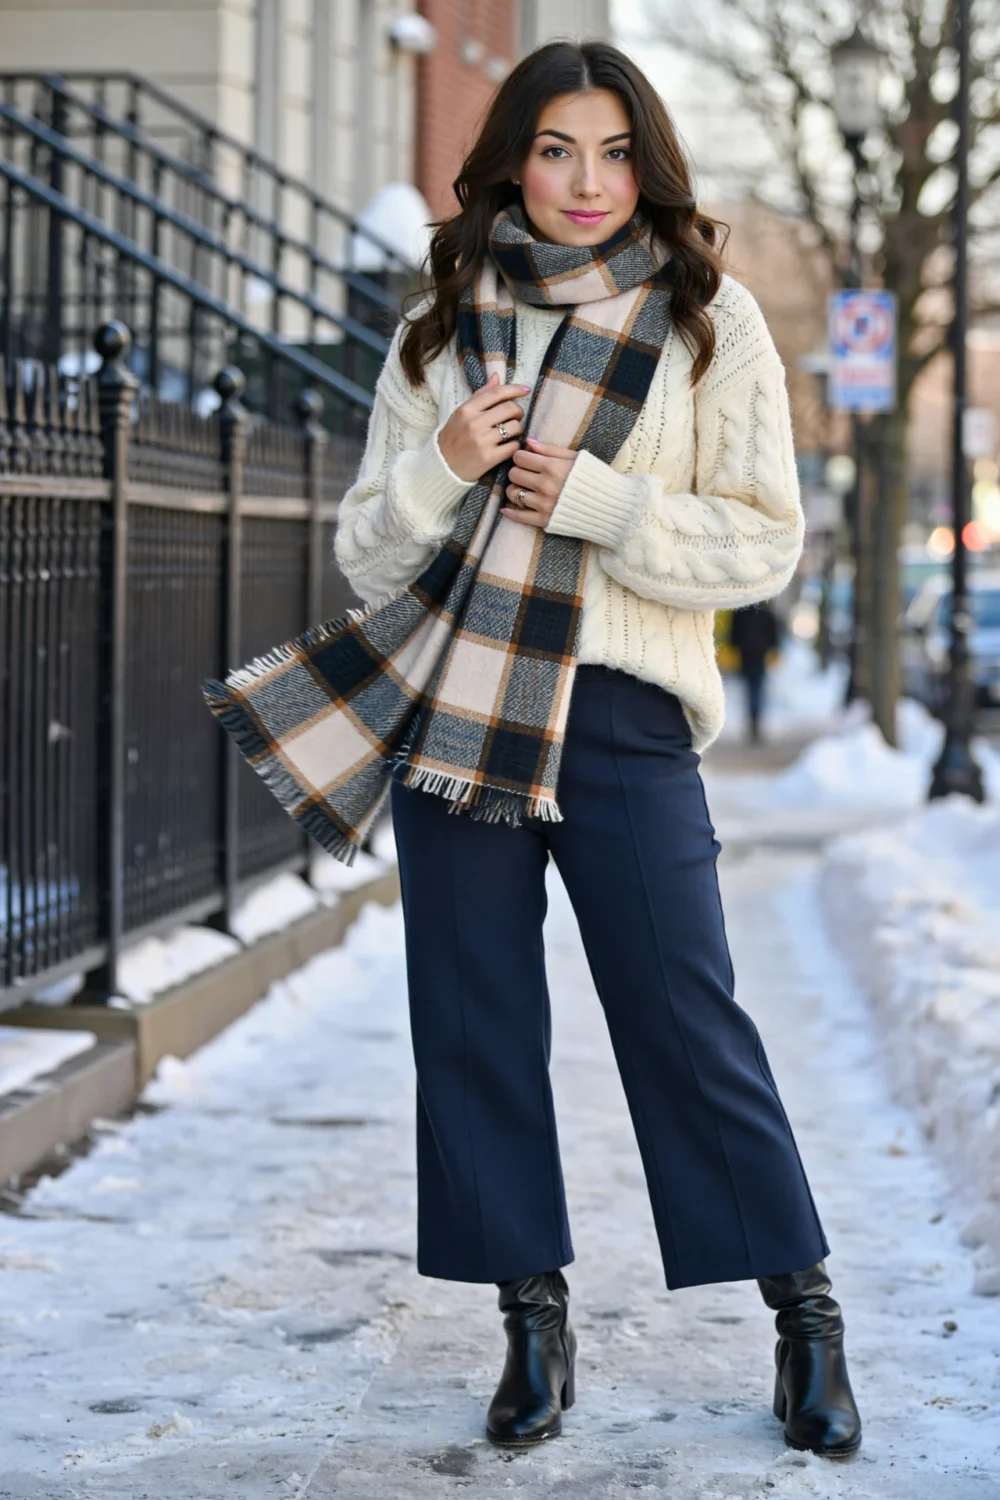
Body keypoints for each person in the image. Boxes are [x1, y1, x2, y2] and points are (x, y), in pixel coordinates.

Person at [334, 40, 861, 1459]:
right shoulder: (440, 324)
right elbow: (364, 553)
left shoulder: (708, 318)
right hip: (462, 715)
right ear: (512, 157)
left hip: (622, 714)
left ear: (649, 164)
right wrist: (443, 464)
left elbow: (763, 540)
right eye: (558, 149)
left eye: (616, 152)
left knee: (686, 1017)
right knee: (476, 1022)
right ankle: (531, 1318)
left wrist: (606, 505)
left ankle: (805, 1316)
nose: (587, 181)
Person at [730, 601, 781, 743]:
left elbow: (734, 634)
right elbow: (773, 634)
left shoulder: (741, 611)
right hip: (759, 656)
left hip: (746, 655)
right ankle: (755, 724)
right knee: (756, 689)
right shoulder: (765, 611)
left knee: (751, 690)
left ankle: (752, 724)